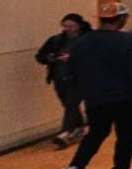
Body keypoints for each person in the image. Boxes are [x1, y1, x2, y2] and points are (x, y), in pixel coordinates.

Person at [57, 2, 132, 169]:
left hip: (95, 98)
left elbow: (71, 69)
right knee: (126, 135)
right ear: (121, 19)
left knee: (95, 134)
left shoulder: (83, 40)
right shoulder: (129, 41)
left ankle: (75, 168)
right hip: (125, 98)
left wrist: (84, 90)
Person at [35, 14, 92, 149]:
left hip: (79, 78)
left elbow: (94, 57)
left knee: (72, 103)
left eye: (71, 26)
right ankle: (79, 126)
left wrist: (73, 58)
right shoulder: (56, 40)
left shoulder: (88, 39)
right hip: (59, 77)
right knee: (68, 104)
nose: (68, 29)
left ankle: (65, 133)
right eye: (65, 26)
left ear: (79, 25)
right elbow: (40, 56)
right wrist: (50, 58)